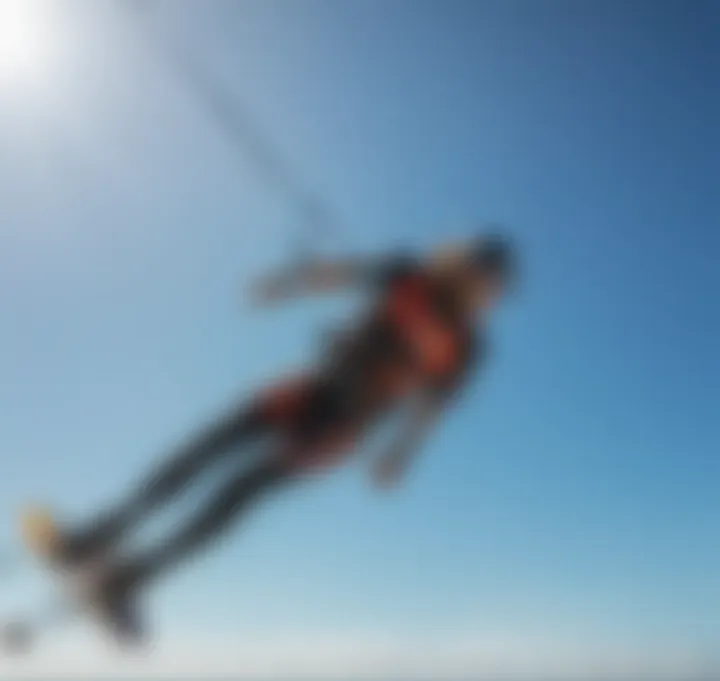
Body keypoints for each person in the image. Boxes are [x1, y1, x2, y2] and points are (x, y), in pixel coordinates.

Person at [24, 231, 518, 642]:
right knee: (196, 456)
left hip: (340, 431)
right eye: (478, 269)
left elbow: (429, 409)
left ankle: (129, 583)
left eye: (492, 284)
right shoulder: (409, 275)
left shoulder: (466, 349)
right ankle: (90, 539)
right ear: (459, 258)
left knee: (228, 504)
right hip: (308, 390)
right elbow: (342, 273)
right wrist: (286, 284)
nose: (481, 285)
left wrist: (399, 456)